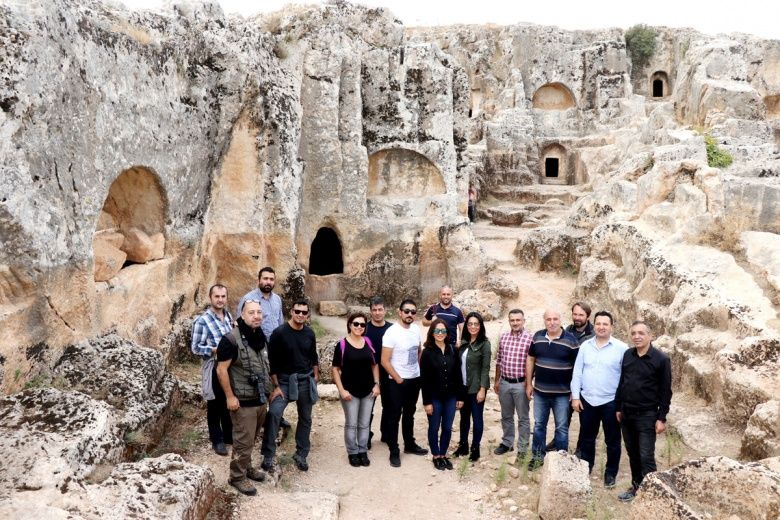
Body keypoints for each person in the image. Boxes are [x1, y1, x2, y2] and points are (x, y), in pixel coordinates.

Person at [215, 299, 272, 496]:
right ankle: (237, 477)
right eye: (251, 312)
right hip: (243, 402)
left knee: (251, 438)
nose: (256, 316)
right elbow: (221, 370)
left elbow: (264, 366)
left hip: (260, 399)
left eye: (259, 312)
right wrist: (230, 397)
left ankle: (246, 467)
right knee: (242, 441)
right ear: (242, 315)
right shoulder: (230, 340)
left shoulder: (260, 336)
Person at [615, 321, 672, 502]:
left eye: (641, 333)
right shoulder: (627, 355)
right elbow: (622, 382)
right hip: (626, 413)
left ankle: (652, 495)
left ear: (650, 335)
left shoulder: (661, 359)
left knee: (646, 455)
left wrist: (661, 418)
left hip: (647, 415)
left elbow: (666, 391)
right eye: (633, 333)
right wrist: (618, 407)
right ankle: (637, 487)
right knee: (632, 453)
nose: (637, 336)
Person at [570, 311, 628, 489]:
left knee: (612, 441)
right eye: (598, 324)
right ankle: (587, 468)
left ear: (611, 326)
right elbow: (577, 373)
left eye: (605, 324)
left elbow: (626, 378)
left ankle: (610, 473)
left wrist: (621, 405)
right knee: (587, 438)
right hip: (587, 401)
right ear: (593, 325)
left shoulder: (622, 348)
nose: (601, 327)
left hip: (611, 402)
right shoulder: (585, 346)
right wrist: (575, 397)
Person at [261, 299, 320, 472]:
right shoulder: (279, 333)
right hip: (285, 382)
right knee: (274, 414)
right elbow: (272, 362)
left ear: (308, 314)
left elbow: (313, 356)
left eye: (304, 312)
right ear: (291, 312)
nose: (300, 315)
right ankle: (268, 455)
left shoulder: (309, 333)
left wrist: (315, 376)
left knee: (306, 418)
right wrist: (276, 386)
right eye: (297, 311)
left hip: (305, 380)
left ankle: (301, 453)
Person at [526, 309, 579, 469]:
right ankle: (537, 457)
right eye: (548, 319)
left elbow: (577, 369)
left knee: (561, 427)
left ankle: (561, 461)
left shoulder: (571, 341)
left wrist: (575, 393)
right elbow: (531, 359)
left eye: (555, 319)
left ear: (560, 320)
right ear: (544, 320)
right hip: (540, 392)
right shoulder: (538, 337)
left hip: (562, 395)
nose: (552, 322)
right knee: (539, 425)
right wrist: (529, 383)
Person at [381, 298, 428, 467]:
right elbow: (384, 360)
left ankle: (409, 444)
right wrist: (399, 378)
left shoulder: (415, 329)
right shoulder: (391, 332)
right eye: (406, 311)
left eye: (413, 312)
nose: (409, 314)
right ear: (399, 312)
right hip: (397, 381)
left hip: (414, 379)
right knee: (394, 416)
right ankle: (394, 450)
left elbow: (419, 350)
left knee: (410, 413)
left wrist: (417, 370)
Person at [332, 312, 381, 467]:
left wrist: (377, 384)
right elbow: (334, 369)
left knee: (365, 423)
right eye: (356, 324)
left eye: (362, 324)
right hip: (349, 391)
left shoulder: (367, 342)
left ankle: (362, 450)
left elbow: (375, 365)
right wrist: (342, 390)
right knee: (351, 423)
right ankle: (352, 452)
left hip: (368, 391)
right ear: (350, 325)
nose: (359, 327)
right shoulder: (342, 344)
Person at [191, 284, 234, 456]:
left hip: (229, 365)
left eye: (223, 296)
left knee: (227, 399)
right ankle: (217, 440)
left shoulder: (228, 315)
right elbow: (195, 348)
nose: (220, 300)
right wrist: (214, 350)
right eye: (217, 296)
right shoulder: (201, 321)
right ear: (210, 298)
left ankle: (229, 436)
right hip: (213, 365)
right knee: (214, 403)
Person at [548, 302, 595, 453]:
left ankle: (581, 448)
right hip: (566, 383)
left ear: (588, 316)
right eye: (575, 314)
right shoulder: (567, 330)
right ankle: (558, 441)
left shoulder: (594, 335)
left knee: (585, 419)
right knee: (563, 416)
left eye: (581, 315)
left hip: (585, 384)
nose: (577, 318)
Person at [420, 318, 464, 470]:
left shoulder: (453, 349)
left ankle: (444, 454)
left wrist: (460, 397)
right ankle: (436, 455)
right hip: (434, 397)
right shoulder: (427, 353)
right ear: (432, 332)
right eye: (437, 330)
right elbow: (424, 380)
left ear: (447, 333)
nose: (440, 333)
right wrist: (426, 402)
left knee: (447, 427)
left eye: (443, 331)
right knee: (434, 427)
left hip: (451, 397)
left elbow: (458, 375)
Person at [493, 309, 533, 456]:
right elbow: (499, 360)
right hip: (504, 382)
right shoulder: (503, 338)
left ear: (523, 321)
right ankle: (507, 443)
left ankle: (522, 448)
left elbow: (533, 363)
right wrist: (497, 380)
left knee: (523, 417)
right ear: (509, 321)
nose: (515, 323)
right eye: (512, 320)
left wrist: (529, 384)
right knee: (506, 415)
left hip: (521, 384)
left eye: (518, 320)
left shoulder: (530, 339)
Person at [452, 311, 491, 461]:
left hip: (476, 389)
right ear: (466, 325)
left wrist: (482, 389)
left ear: (480, 326)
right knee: (464, 418)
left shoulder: (484, 344)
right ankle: (463, 446)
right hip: (462, 388)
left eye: (476, 324)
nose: (473, 326)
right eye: (470, 324)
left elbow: (485, 368)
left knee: (477, 418)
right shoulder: (463, 343)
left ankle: (475, 448)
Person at [365, 296, 393, 448]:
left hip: (388, 372)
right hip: (369, 374)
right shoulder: (365, 329)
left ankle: (386, 433)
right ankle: (366, 435)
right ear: (370, 311)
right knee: (368, 407)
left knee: (389, 406)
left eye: (380, 309)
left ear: (385, 310)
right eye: (374, 310)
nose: (377, 313)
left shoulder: (392, 328)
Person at [237, 267, 285, 341]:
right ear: (259, 280)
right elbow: (240, 324)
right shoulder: (248, 299)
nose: (268, 282)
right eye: (265, 278)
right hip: (257, 344)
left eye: (271, 279)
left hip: (276, 344)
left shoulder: (277, 299)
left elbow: (280, 323)